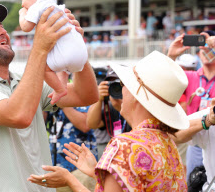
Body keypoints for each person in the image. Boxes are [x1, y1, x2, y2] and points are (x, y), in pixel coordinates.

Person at [0, 4, 98, 192]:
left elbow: (85, 95)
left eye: (1, 25)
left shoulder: (22, 80)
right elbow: (19, 116)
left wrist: (75, 45)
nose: (2, 32)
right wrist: (40, 47)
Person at [28, 51, 189, 191]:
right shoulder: (168, 143)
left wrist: (70, 180)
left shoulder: (125, 146)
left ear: (137, 95)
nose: (121, 90)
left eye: (123, 84)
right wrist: (96, 172)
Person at [17, 0, 88, 105]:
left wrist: (22, 14)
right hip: (81, 56)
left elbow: (26, 27)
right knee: (61, 66)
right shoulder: (59, 8)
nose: (22, 4)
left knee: (42, 67)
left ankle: (59, 89)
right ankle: (63, 86)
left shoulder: (37, 6)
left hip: (66, 56)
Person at [167, 31, 215, 181]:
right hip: (194, 135)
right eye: (202, 47)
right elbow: (162, 81)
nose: (205, 50)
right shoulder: (190, 76)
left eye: (209, 46)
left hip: (213, 134)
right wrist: (171, 56)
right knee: (193, 182)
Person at [45, 106, 97, 192]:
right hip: (58, 168)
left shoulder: (82, 96)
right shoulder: (53, 101)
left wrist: (63, 104)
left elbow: (85, 125)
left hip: (82, 169)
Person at [86, 67, 131, 158]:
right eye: (112, 84)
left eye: (119, 84)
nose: (116, 88)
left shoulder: (137, 105)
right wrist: (98, 100)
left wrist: (122, 107)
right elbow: (92, 124)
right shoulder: (110, 107)